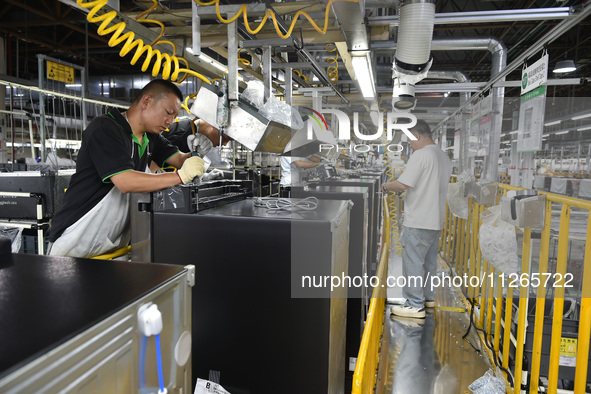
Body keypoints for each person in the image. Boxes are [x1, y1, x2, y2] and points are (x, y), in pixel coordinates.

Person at [48, 79, 206, 258]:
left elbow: (178, 159)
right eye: (168, 113)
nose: (170, 121)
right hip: (76, 240)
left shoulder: (151, 137)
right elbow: (125, 181)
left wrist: (196, 153)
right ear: (146, 102)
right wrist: (179, 177)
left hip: (113, 244)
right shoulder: (105, 128)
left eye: (174, 116)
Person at [383, 119, 452, 319]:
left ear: (417, 136)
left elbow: (403, 184)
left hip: (418, 219)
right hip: (435, 220)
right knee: (429, 263)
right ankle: (428, 299)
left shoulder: (421, 155)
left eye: (410, 140)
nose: (410, 144)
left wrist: (386, 186)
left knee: (413, 263)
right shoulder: (443, 156)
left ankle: (414, 305)